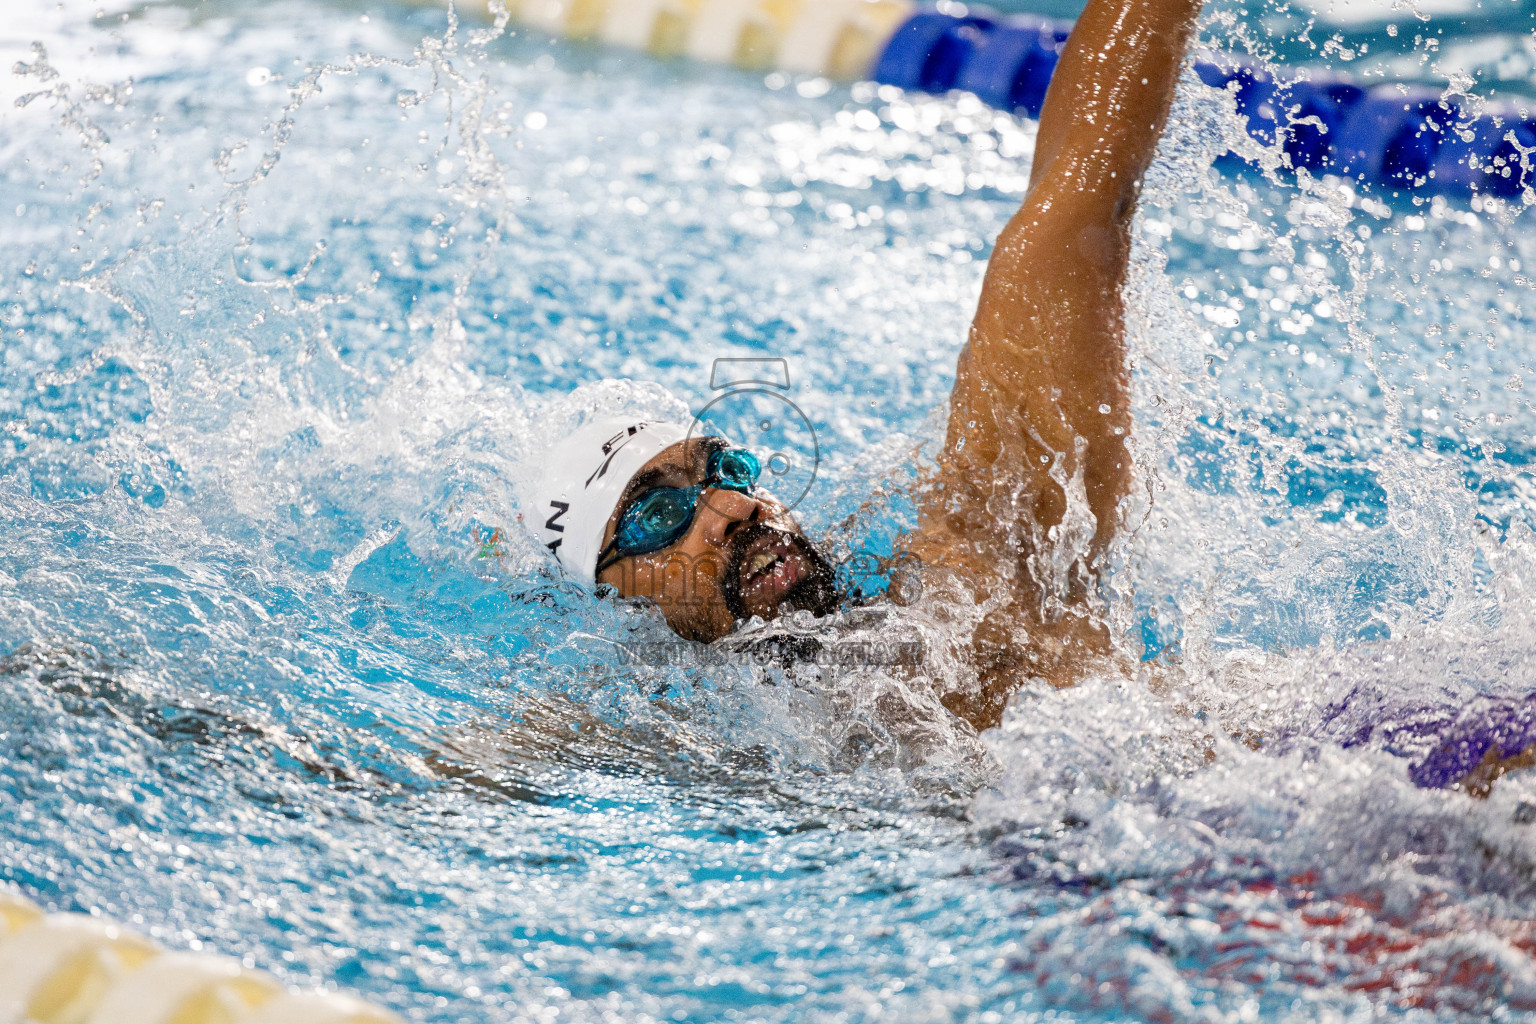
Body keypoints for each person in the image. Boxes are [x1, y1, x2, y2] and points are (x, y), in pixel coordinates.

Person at [527, 0, 1204, 730]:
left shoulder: (973, 575)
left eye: (724, 471)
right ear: (612, 599)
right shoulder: (648, 732)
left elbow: (1079, 200)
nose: (732, 509)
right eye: (661, 515)